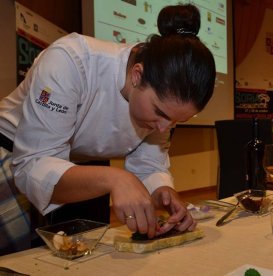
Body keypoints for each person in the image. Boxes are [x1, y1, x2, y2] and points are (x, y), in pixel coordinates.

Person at [0, 4, 215, 255]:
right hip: (10, 155)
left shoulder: (159, 105)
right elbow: (32, 164)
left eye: (178, 121)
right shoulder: (71, 60)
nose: (165, 127)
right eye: (160, 113)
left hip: (83, 169)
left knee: (80, 259)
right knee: (16, 260)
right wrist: (117, 178)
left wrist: (162, 191)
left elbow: (149, 164)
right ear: (137, 75)